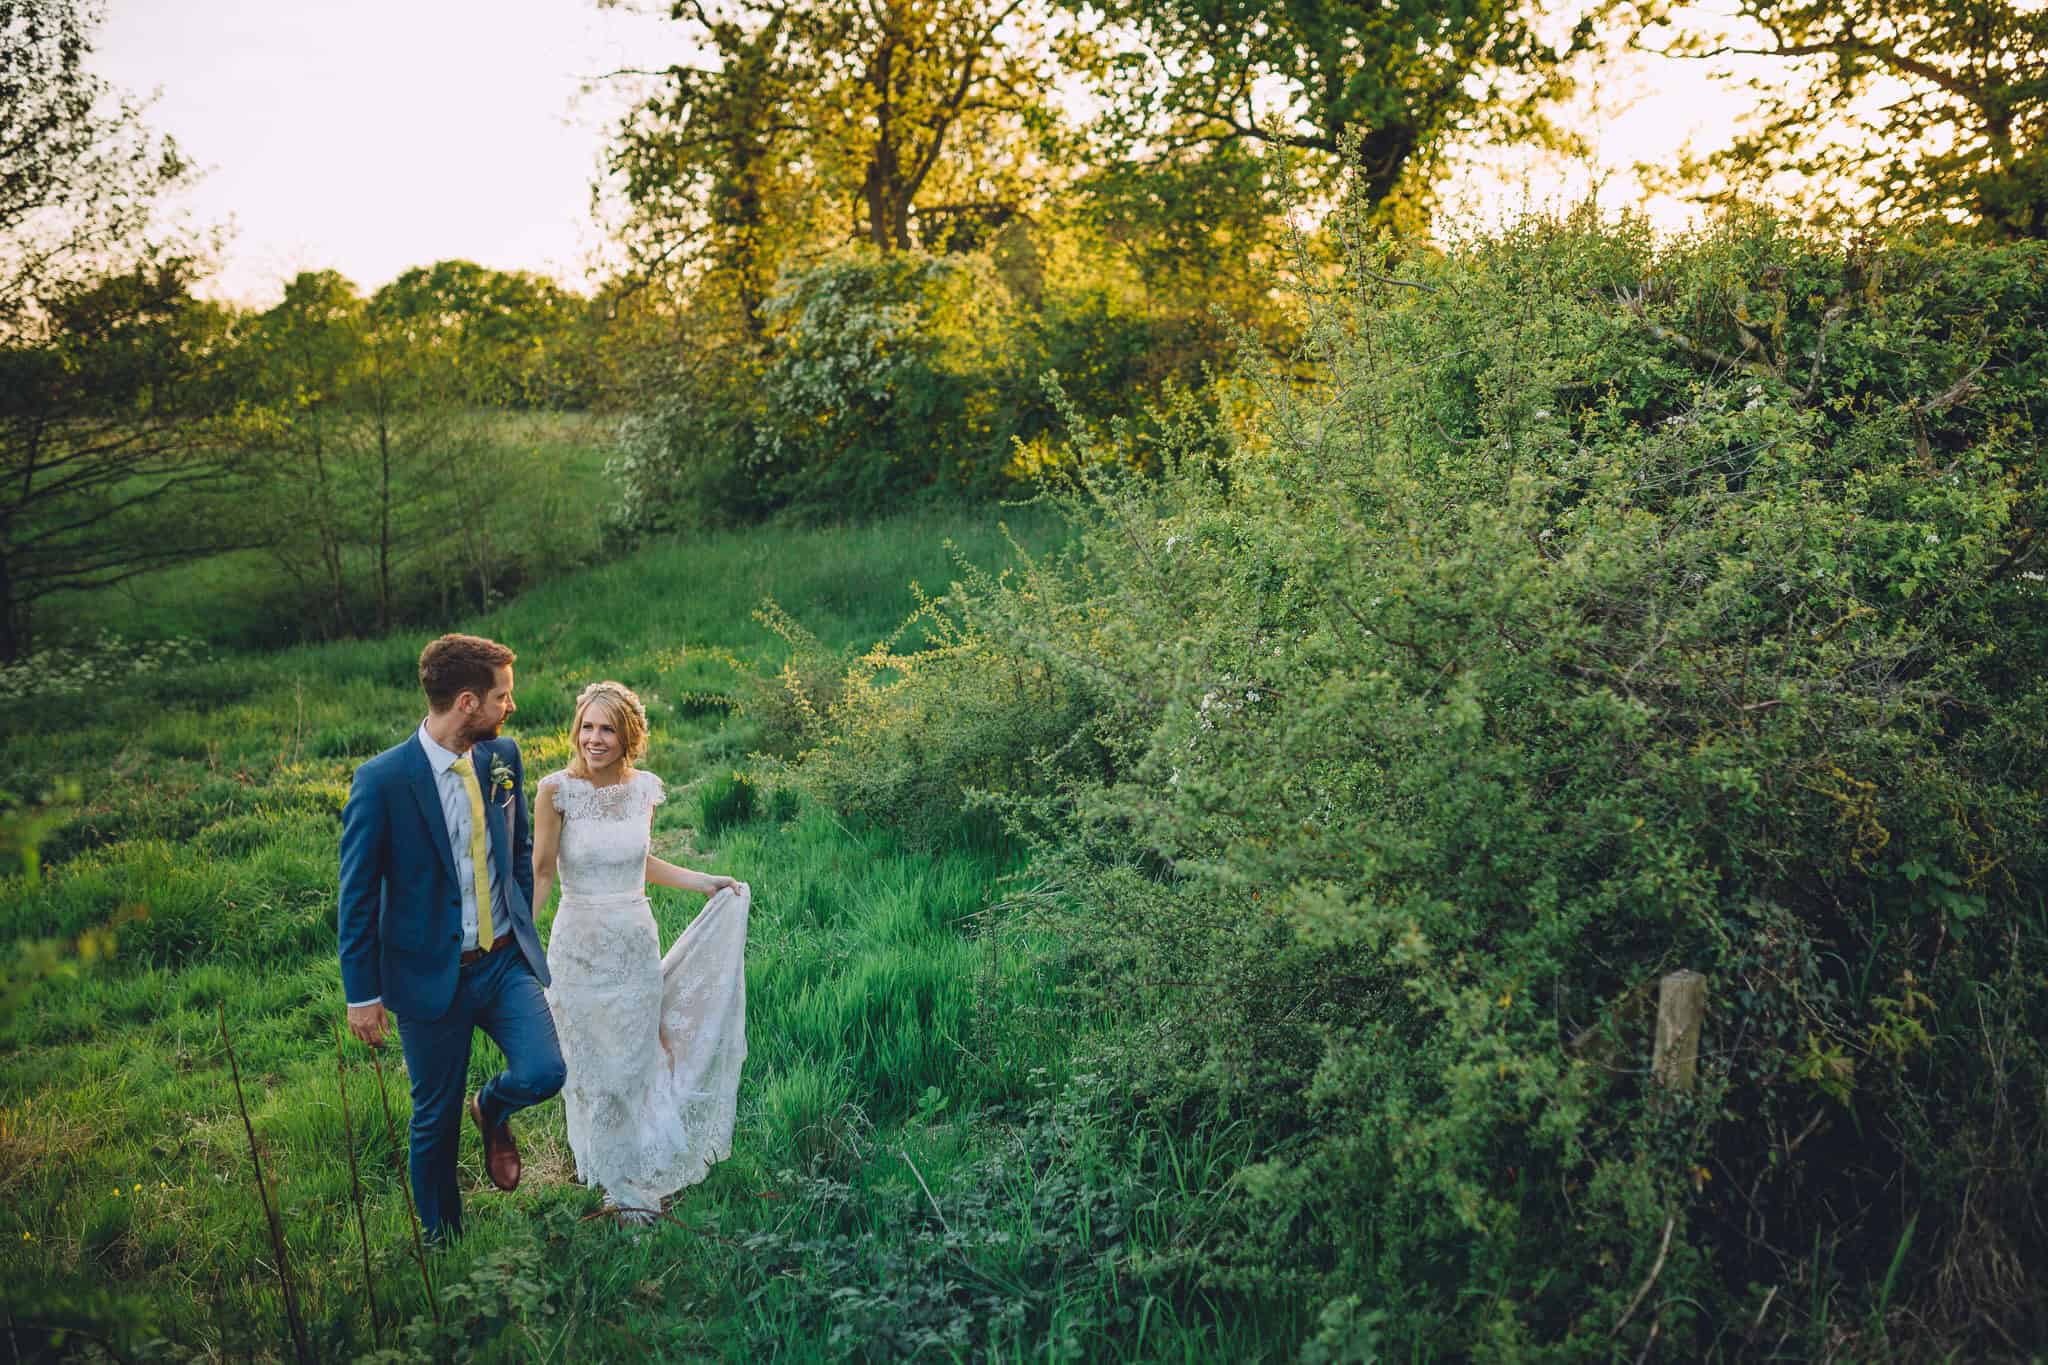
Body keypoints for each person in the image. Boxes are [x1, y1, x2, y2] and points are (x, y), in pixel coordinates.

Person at [338, 633, 565, 1243]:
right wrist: (361, 995)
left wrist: (518, 923)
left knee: (546, 1071)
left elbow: (518, 849)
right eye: (502, 697)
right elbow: (356, 896)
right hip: (427, 978)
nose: (510, 708)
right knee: (432, 1122)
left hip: (500, 964)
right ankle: (445, 1244)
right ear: (467, 702)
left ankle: (491, 1107)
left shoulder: (502, 759)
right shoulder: (382, 782)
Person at [533, 679, 749, 1224]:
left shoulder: (644, 790)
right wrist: (519, 943)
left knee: (633, 1063)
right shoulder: (555, 792)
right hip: (578, 946)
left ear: (627, 735)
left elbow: (641, 863)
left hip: (632, 942)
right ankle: (610, 1177)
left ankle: (633, 1174)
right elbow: (540, 871)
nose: (594, 739)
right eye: (587, 726)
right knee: (592, 1067)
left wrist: (706, 881)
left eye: (607, 728)